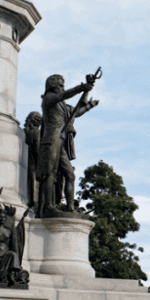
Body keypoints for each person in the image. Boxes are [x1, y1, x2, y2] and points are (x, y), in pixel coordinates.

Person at [36, 70, 100, 216]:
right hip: (51, 140)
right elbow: (63, 95)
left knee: (70, 174)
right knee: (50, 173)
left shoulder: (63, 106)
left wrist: (88, 96)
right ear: (53, 86)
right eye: (61, 85)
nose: (63, 88)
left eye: (63, 86)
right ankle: (48, 207)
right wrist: (82, 87)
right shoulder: (49, 98)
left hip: (61, 142)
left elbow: (77, 110)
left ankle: (70, 208)